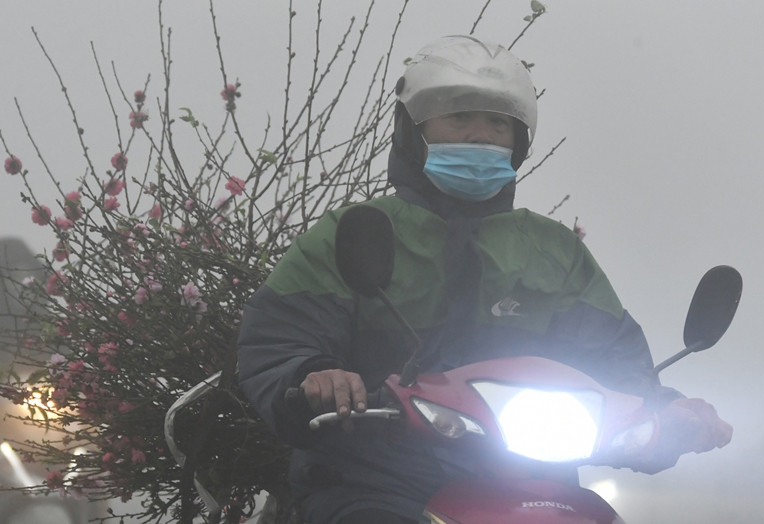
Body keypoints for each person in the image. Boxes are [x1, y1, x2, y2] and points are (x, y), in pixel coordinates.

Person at [237, 35, 732, 523]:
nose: (480, 135)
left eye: (498, 123)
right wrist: (314, 375)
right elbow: (280, 337)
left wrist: (666, 411)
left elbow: (615, 361)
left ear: (518, 142)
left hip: (535, 485)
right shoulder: (356, 232)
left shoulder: (555, 252)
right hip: (378, 480)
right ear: (412, 131)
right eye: (459, 117)